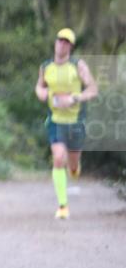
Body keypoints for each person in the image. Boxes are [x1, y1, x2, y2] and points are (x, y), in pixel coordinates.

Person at [34, 28, 98, 219]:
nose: (62, 44)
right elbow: (40, 85)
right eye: (60, 40)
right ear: (55, 43)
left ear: (71, 46)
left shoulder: (78, 66)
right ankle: (63, 206)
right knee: (58, 158)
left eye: (66, 42)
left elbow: (93, 90)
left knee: (72, 164)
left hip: (75, 121)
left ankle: (75, 168)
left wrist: (75, 98)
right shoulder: (46, 67)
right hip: (55, 121)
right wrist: (41, 93)